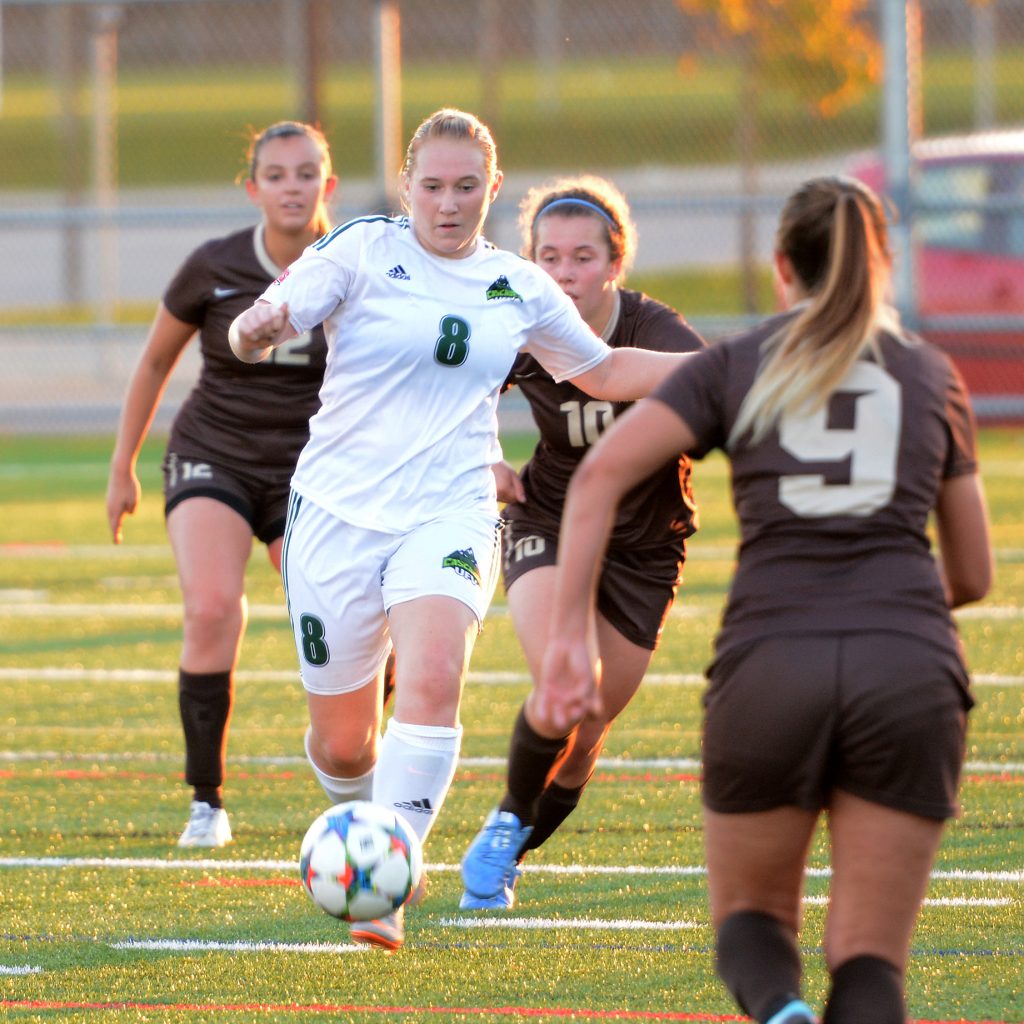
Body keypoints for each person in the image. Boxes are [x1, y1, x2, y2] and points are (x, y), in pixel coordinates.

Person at [525, 176, 993, 1024]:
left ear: (781, 266)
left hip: (773, 665)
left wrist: (564, 637)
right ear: (883, 264)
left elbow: (597, 476)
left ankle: (780, 1010)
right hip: (909, 668)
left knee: (752, 928)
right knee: (872, 965)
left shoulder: (739, 361)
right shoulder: (931, 373)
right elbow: (974, 577)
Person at [227, 108, 695, 950]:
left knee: (436, 674)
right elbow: (256, 329)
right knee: (343, 744)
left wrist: (732, 365)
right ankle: (361, 813)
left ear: (493, 188)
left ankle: (387, 875)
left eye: (467, 187)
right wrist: (254, 330)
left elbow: (602, 369)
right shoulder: (364, 249)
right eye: (433, 186)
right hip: (335, 513)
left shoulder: (517, 282)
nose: (449, 203)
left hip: (449, 509)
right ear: (407, 186)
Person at [459, 175, 705, 910]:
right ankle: (505, 821)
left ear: (615, 261)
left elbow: (720, 395)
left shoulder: (655, 331)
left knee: (589, 729)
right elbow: (447, 396)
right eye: (550, 257)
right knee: (567, 684)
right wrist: (486, 460)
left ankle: (517, 839)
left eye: (583, 257)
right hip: (551, 519)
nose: (566, 274)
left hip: (645, 546)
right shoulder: (523, 324)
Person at [106, 121, 338, 849]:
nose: (292, 187)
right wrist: (123, 467)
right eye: (276, 174)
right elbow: (152, 364)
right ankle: (206, 801)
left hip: (317, 467)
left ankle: (359, 775)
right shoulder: (214, 265)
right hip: (217, 453)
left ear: (327, 185)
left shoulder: (356, 263)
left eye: (306, 173)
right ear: (253, 188)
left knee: (338, 615)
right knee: (211, 608)